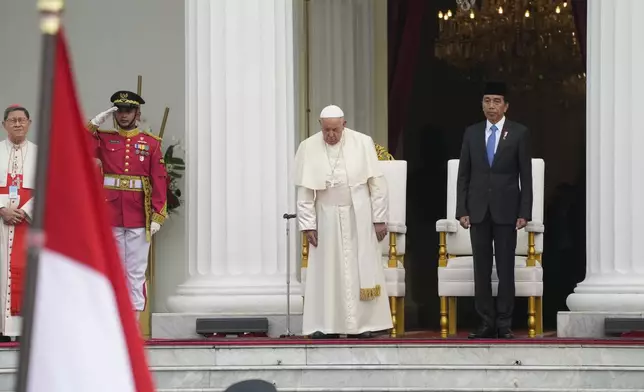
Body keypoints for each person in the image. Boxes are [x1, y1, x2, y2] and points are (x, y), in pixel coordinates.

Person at [294, 104, 392, 339]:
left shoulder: (362, 142)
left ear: (344, 125)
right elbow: (305, 191)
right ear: (320, 126)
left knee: (361, 269)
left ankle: (366, 325)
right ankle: (326, 325)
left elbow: (376, 185)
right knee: (328, 272)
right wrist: (308, 224)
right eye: (326, 130)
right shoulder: (308, 147)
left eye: (335, 130)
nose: (331, 135)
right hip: (325, 216)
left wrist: (379, 219)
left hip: (359, 214)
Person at [456, 82, 533, 339]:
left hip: (507, 210)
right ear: (482, 104)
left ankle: (504, 323)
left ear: (506, 105)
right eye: (487, 100)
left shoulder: (519, 133)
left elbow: (526, 176)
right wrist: (461, 209)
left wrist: (525, 211)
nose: (491, 106)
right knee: (481, 268)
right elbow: (463, 174)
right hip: (477, 210)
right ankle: (486, 322)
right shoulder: (472, 133)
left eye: (496, 101)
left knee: (505, 267)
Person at [87, 91, 167, 320]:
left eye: (128, 111)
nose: (123, 115)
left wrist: (157, 214)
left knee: (135, 271)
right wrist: (93, 124)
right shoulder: (104, 138)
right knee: (111, 268)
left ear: (137, 113)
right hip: (110, 212)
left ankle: (132, 323)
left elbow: (159, 179)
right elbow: (78, 144)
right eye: (119, 110)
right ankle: (111, 319)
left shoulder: (150, 143)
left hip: (138, 214)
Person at [0, 105, 36, 341]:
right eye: (12, 120)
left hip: (27, 225)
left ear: (29, 123)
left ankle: (24, 333)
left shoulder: (39, 154)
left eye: (21, 120)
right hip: (0, 225)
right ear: (4, 125)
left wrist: (24, 211)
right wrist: (2, 209)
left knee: (27, 273)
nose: (17, 124)